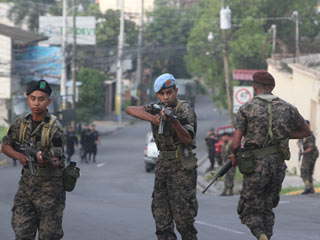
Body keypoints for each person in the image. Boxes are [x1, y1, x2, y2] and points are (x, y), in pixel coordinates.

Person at [230, 71, 311, 240]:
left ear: (254, 87)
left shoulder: (247, 108)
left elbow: (236, 144)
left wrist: (234, 155)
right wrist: (284, 135)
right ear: (273, 87)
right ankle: (267, 235)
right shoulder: (288, 108)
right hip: (278, 165)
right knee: (267, 205)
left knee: (248, 208)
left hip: (255, 165)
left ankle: (260, 234)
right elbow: (306, 131)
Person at [126, 73, 198, 240]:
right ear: (157, 95)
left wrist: (174, 121)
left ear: (176, 91)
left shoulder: (184, 109)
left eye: (169, 92)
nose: (166, 97)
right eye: (162, 94)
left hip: (182, 167)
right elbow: (131, 109)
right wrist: (154, 118)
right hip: (163, 166)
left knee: (184, 219)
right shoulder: (157, 107)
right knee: (161, 217)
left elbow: (187, 138)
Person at [1, 80, 66, 239]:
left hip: (50, 193)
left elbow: (56, 161)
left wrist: (42, 159)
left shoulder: (55, 128)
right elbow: (5, 145)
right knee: (22, 234)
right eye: (33, 98)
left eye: (41, 99)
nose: (36, 103)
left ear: (48, 101)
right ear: (28, 99)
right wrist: (19, 156)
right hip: (26, 190)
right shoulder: (20, 123)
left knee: (49, 236)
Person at [298, 120, 319, 194]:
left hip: (310, 154)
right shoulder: (304, 135)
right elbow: (299, 143)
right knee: (308, 172)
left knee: (304, 170)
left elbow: (310, 147)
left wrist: (302, 152)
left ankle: (308, 187)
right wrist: (299, 143)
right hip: (309, 154)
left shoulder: (309, 135)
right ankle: (311, 188)